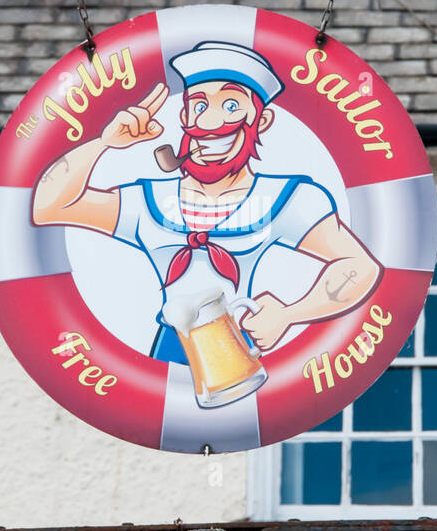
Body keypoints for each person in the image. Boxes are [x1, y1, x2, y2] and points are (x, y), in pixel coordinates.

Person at [32, 40, 381, 363]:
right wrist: (105, 143)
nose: (211, 122)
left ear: (262, 120)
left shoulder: (286, 199)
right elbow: (50, 207)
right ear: (183, 118)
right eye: (198, 105)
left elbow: (359, 266)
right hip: (167, 349)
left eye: (231, 106)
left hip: (233, 346)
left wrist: (290, 314)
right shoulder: (149, 201)